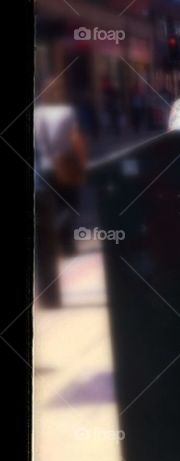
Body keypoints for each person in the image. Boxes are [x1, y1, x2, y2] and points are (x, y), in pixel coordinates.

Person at [35, 80, 87, 307]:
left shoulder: (38, 113)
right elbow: (75, 139)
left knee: (53, 205)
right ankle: (66, 244)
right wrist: (82, 162)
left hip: (46, 167)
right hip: (65, 165)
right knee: (70, 204)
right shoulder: (67, 111)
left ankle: (57, 242)